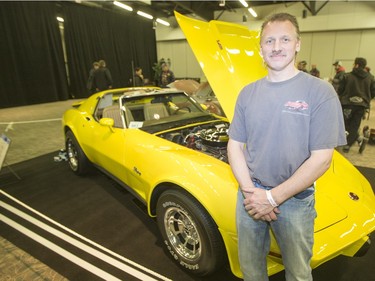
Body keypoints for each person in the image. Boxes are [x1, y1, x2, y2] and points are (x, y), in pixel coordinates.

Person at [227, 13, 346, 281]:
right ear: (260, 49)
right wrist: (252, 192)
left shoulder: (320, 92)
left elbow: (322, 159)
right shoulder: (247, 93)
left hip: (294, 202)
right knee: (251, 270)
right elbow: (234, 146)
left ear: (297, 44)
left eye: (284, 39)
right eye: (269, 41)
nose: (277, 46)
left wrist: (272, 198)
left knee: (298, 273)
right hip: (249, 196)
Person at [338, 57, 375, 152]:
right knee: (355, 124)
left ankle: (352, 139)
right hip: (361, 105)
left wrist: (342, 98)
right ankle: (350, 143)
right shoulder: (371, 78)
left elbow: (340, 90)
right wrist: (365, 99)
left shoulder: (347, 76)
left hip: (347, 104)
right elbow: (373, 92)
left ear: (357, 65)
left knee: (344, 124)